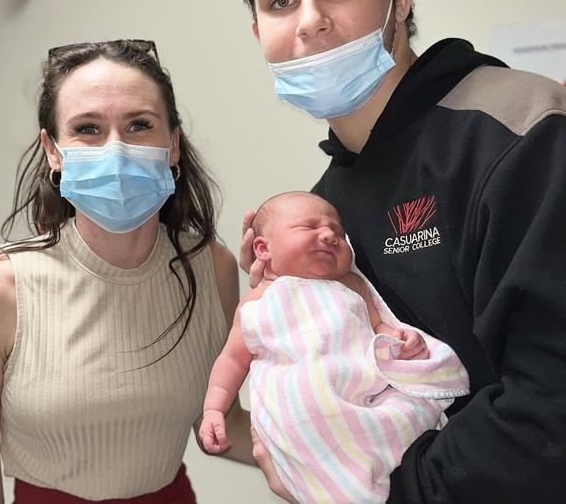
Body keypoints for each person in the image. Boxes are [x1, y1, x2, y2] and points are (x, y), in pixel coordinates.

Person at [233, 0, 566, 503]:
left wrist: (391, 494)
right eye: (279, 2)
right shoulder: (326, 203)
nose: (309, 21)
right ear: (259, 34)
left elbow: (550, 405)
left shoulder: (521, 130)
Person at [0, 40, 254, 504]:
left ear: (172, 145)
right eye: (88, 128)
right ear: (53, 151)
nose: (117, 149)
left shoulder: (212, 267)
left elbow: (224, 423)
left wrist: (358, 440)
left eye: (139, 125)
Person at [199, 192, 469, 504]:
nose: (329, 235)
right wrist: (214, 409)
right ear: (262, 248)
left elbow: (380, 327)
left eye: (339, 234)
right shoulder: (258, 303)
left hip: (364, 396)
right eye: (308, 227)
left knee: (408, 415)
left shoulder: (352, 286)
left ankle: (389, 473)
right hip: (307, 412)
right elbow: (232, 360)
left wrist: (401, 342)